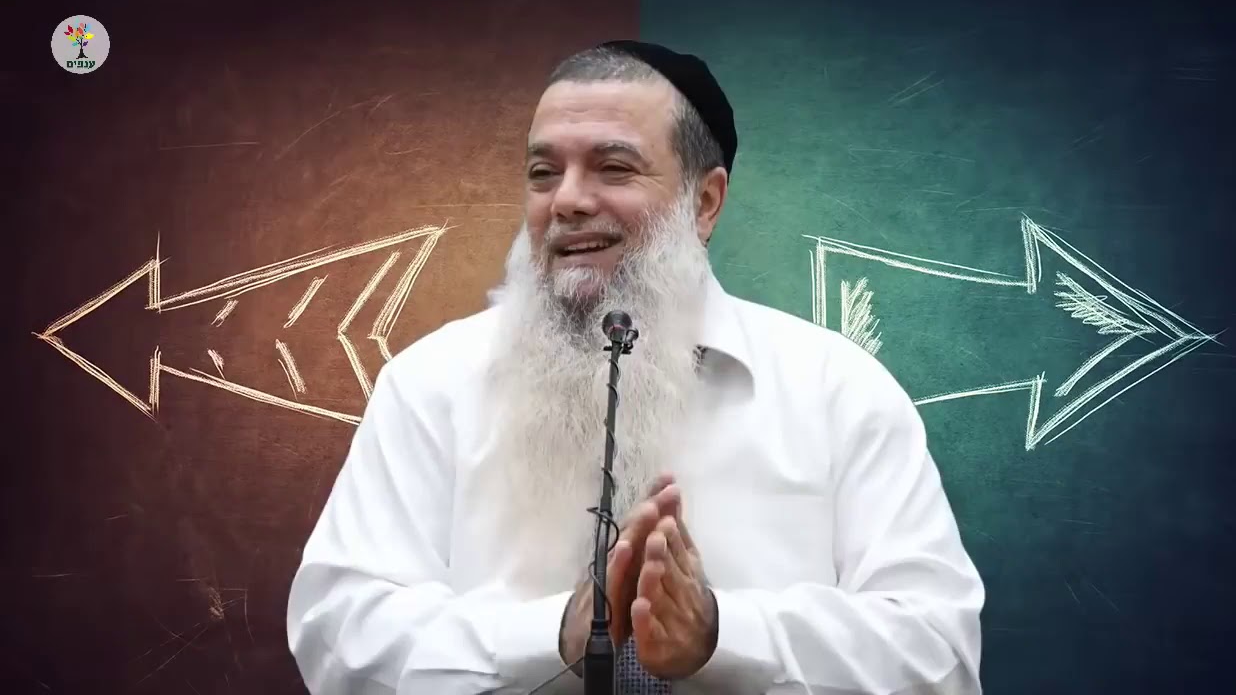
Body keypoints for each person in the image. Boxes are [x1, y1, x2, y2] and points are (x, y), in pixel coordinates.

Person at [286, 39, 985, 695]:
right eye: (543, 173)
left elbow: (940, 654)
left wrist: (722, 634)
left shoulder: (837, 389)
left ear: (704, 202)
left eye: (613, 168)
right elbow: (336, 632)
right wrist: (553, 636)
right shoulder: (431, 383)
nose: (567, 200)